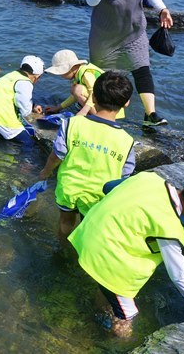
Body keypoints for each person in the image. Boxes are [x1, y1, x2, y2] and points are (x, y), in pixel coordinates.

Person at [68, 173, 184, 337]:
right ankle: (109, 338)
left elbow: (108, 187)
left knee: (111, 295)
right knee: (128, 317)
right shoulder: (170, 230)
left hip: (88, 232)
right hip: (105, 257)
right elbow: (178, 276)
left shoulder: (149, 179)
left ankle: (104, 300)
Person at [85, 0, 173, 127]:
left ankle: (150, 115)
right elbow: (91, 0)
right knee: (105, 79)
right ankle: (103, 117)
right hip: (104, 37)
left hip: (134, 33)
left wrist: (163, 9)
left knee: (142, 69)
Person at [37, 70, 134, 241]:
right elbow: (124, 176)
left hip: (69, 189)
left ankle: (62, 247)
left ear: (93, 98)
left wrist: (45, 172)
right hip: (98, 196)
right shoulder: (127, 141)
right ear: (126, 103)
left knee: (65, 221)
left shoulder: (72, 124)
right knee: (88, 226)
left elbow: (56, 155)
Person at [0, 55, 44, 145]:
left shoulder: (11, 75)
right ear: (36, 76)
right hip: (1, 117)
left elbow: (12, 94)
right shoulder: (25, 82)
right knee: (28, 143)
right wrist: (35, 118)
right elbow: (24, 107)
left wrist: (33, 106)